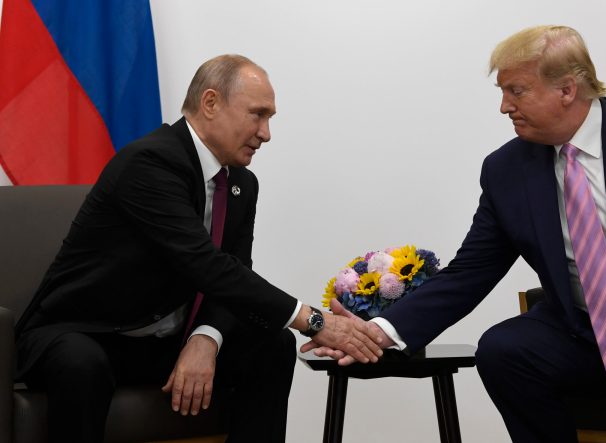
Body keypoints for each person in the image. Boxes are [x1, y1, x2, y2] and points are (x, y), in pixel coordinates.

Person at [303, 26, 606, 442]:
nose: (504, 105)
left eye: (516, 90)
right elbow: (469, 274)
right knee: (505, 351)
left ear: (567, 89)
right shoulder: (507, 170)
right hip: (594, 332)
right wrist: (380, 331)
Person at [15, 54, 383, 443]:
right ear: (210, 104)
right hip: (84, 331)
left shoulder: (242, 185)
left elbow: (234, 271)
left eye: (270, 118)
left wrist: (205, 338)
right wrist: (313, 320)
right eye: (257, 114)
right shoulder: (149, 162)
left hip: (159, 340)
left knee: (271, 345)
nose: (266, 132)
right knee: (81, 363)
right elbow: (206, 265)